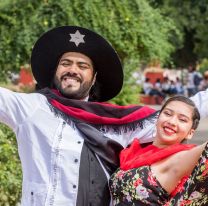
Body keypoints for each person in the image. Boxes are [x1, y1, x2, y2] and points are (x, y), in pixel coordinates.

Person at [0, 26, 208, 206]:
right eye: (66, 63)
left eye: (82, 66)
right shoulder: (31, 108)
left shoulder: (119, 123)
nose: (72, 70)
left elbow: (185, 110)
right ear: (56, 70)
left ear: (94, 77)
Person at [110, 95, 208, 205]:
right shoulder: (134, 152)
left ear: (190, 133)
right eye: (168, 114)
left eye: (182, 120)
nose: (172, 121)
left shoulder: (181, 158)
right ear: (157, 119)